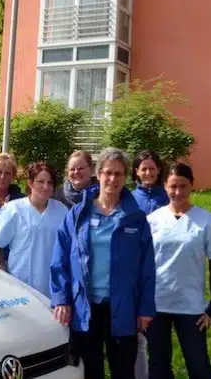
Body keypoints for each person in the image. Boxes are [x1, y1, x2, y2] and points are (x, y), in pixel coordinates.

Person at [50, 147, 156, 379]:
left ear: (126, 176)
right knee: (90, 370)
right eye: (108, 173)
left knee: (123, 370)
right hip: (86, 308)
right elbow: (60, 258)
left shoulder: (135, 217)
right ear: (98, 174)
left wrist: (146, 308)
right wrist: (61, 299)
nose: (112, 179)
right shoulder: (79, 214)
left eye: (118, 174)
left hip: (124, 308)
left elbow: (148, 267)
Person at [146, 163, 211, 379]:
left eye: (183, 186)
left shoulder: (207, 221)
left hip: (191, 306)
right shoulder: (153, 220)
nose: (177, 192)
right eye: (173, 186)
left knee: (198, 365)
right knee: (158, 366)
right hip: (157, 304)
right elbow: (143, 265)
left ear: (192, 185)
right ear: (164, 186)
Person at [0, 162, 67, 298]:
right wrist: (5, 275)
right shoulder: (14, 209)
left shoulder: (62, 211)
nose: (45, 186)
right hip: (18, 287)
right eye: (40, 181)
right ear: (30, 183)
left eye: (50, 183)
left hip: (51, 289)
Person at [131, 150, 169, 379]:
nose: (147, 173)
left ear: (158, 170)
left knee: (159, 338)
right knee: (137, 337)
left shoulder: (167, 197)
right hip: (136, 272)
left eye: (151, 169)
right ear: (136, 171)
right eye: (143, 169)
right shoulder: (129, 199)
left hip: (163, 272)